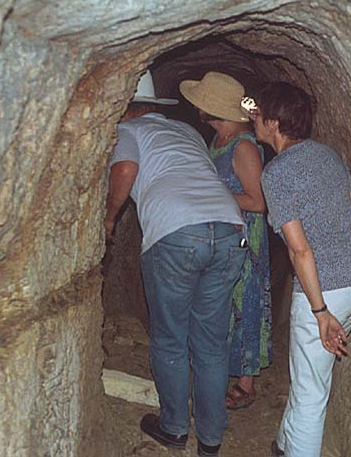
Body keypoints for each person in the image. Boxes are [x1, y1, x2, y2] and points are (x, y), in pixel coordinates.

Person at [105, 69, 248, 457]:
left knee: (170, 336)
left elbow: (125, 169)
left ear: (128, 108)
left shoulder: (128, 130)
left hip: (176, 232)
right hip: (229, 228)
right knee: (211, 342)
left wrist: (110, 216)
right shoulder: (187, 132)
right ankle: (211, 439)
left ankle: (173, 427)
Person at [249, 82, 351, 457]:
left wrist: (320, 311)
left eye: (258, 112)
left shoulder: (277, 172)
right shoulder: (328, 156)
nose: (253, 117)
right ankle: (285, 445)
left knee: (311, 391)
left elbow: (300, 251)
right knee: (309, 374)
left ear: (274, 123)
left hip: (328, 291)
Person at [180, 71, 272, 410]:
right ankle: (217, 370)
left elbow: (259, 202)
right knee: (219, 304)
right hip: (222, 235)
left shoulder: (243, 146)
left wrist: (214, 195)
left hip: (245, 238)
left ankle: (246, 382)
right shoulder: (220, 140)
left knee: (244, 301)